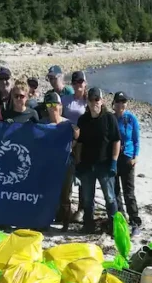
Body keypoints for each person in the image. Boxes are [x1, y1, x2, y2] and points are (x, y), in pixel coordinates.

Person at [74, 87, 120, 233]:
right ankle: (88, 224)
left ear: (102, 100)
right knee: (87, 198)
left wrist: (113, 161)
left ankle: (114, 225)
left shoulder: (109, 118)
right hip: (87, 166)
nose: (94, 102)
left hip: (105, 166)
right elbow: (79, 143)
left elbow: (116, 141)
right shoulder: (82, 120)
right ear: (87, 102)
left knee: (110, 197)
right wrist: (78, 163)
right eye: (91, 99)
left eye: (97, 99)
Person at [41, 91, 79, 225]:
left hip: (66, 163)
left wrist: (75, 135)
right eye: (49, 104)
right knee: (49, 192)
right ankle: (46, 218)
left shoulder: (68, 124)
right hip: (49, 163)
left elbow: (77, 140)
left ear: (60, 106)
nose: (52, 107)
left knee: (65, 194)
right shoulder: (43, 124)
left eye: (55, 104)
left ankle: (65, 221)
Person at [112, 92, 141, 229]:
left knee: (129, 192)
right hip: (114, 157)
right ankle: (121, 216)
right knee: (115, 190)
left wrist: (135, 156)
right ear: (114, 104)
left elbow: (136, 140)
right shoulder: (111, 118)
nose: (121, 104)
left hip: (128, 158)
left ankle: (134, 219)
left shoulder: (131, 119)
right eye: (118, 101)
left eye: (123, 102)